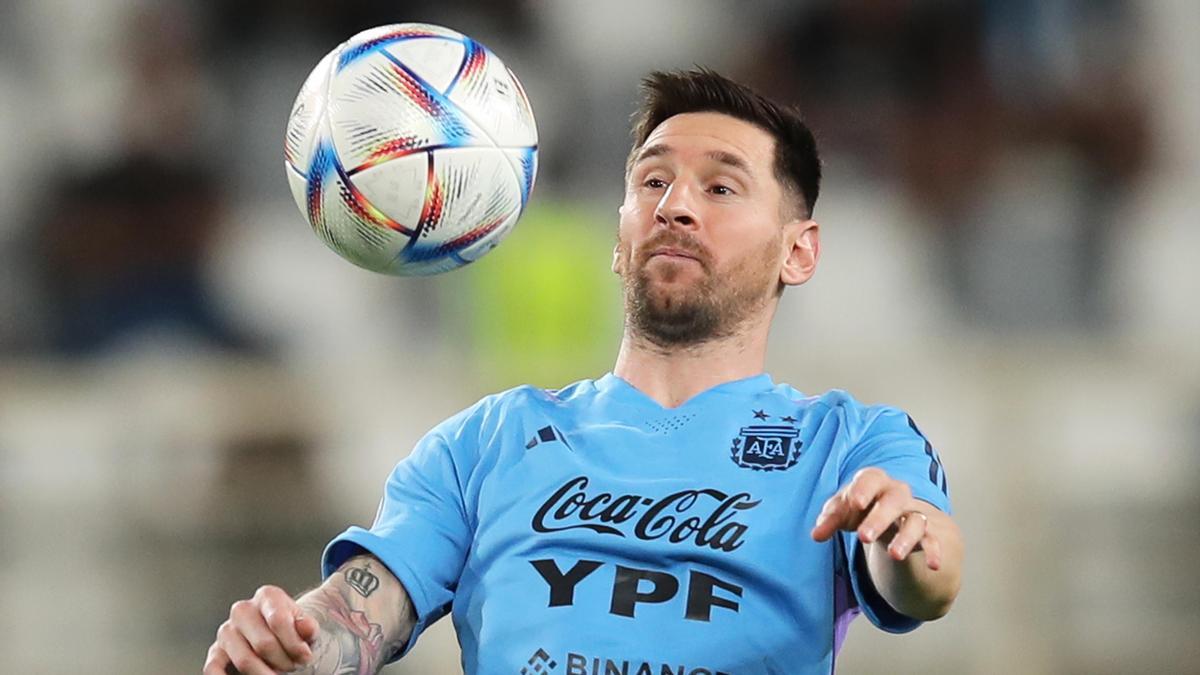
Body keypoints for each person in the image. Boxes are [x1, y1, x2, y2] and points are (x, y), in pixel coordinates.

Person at [204, 68, 963, 675]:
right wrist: (291, 648)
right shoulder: (484, 443)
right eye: (652, 182)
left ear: (799, 250)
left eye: (721, 187)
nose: (675, 206)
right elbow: (357, 616)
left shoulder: (851, 445)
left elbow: (923, 579)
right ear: (618, 235)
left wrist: (906, 543)